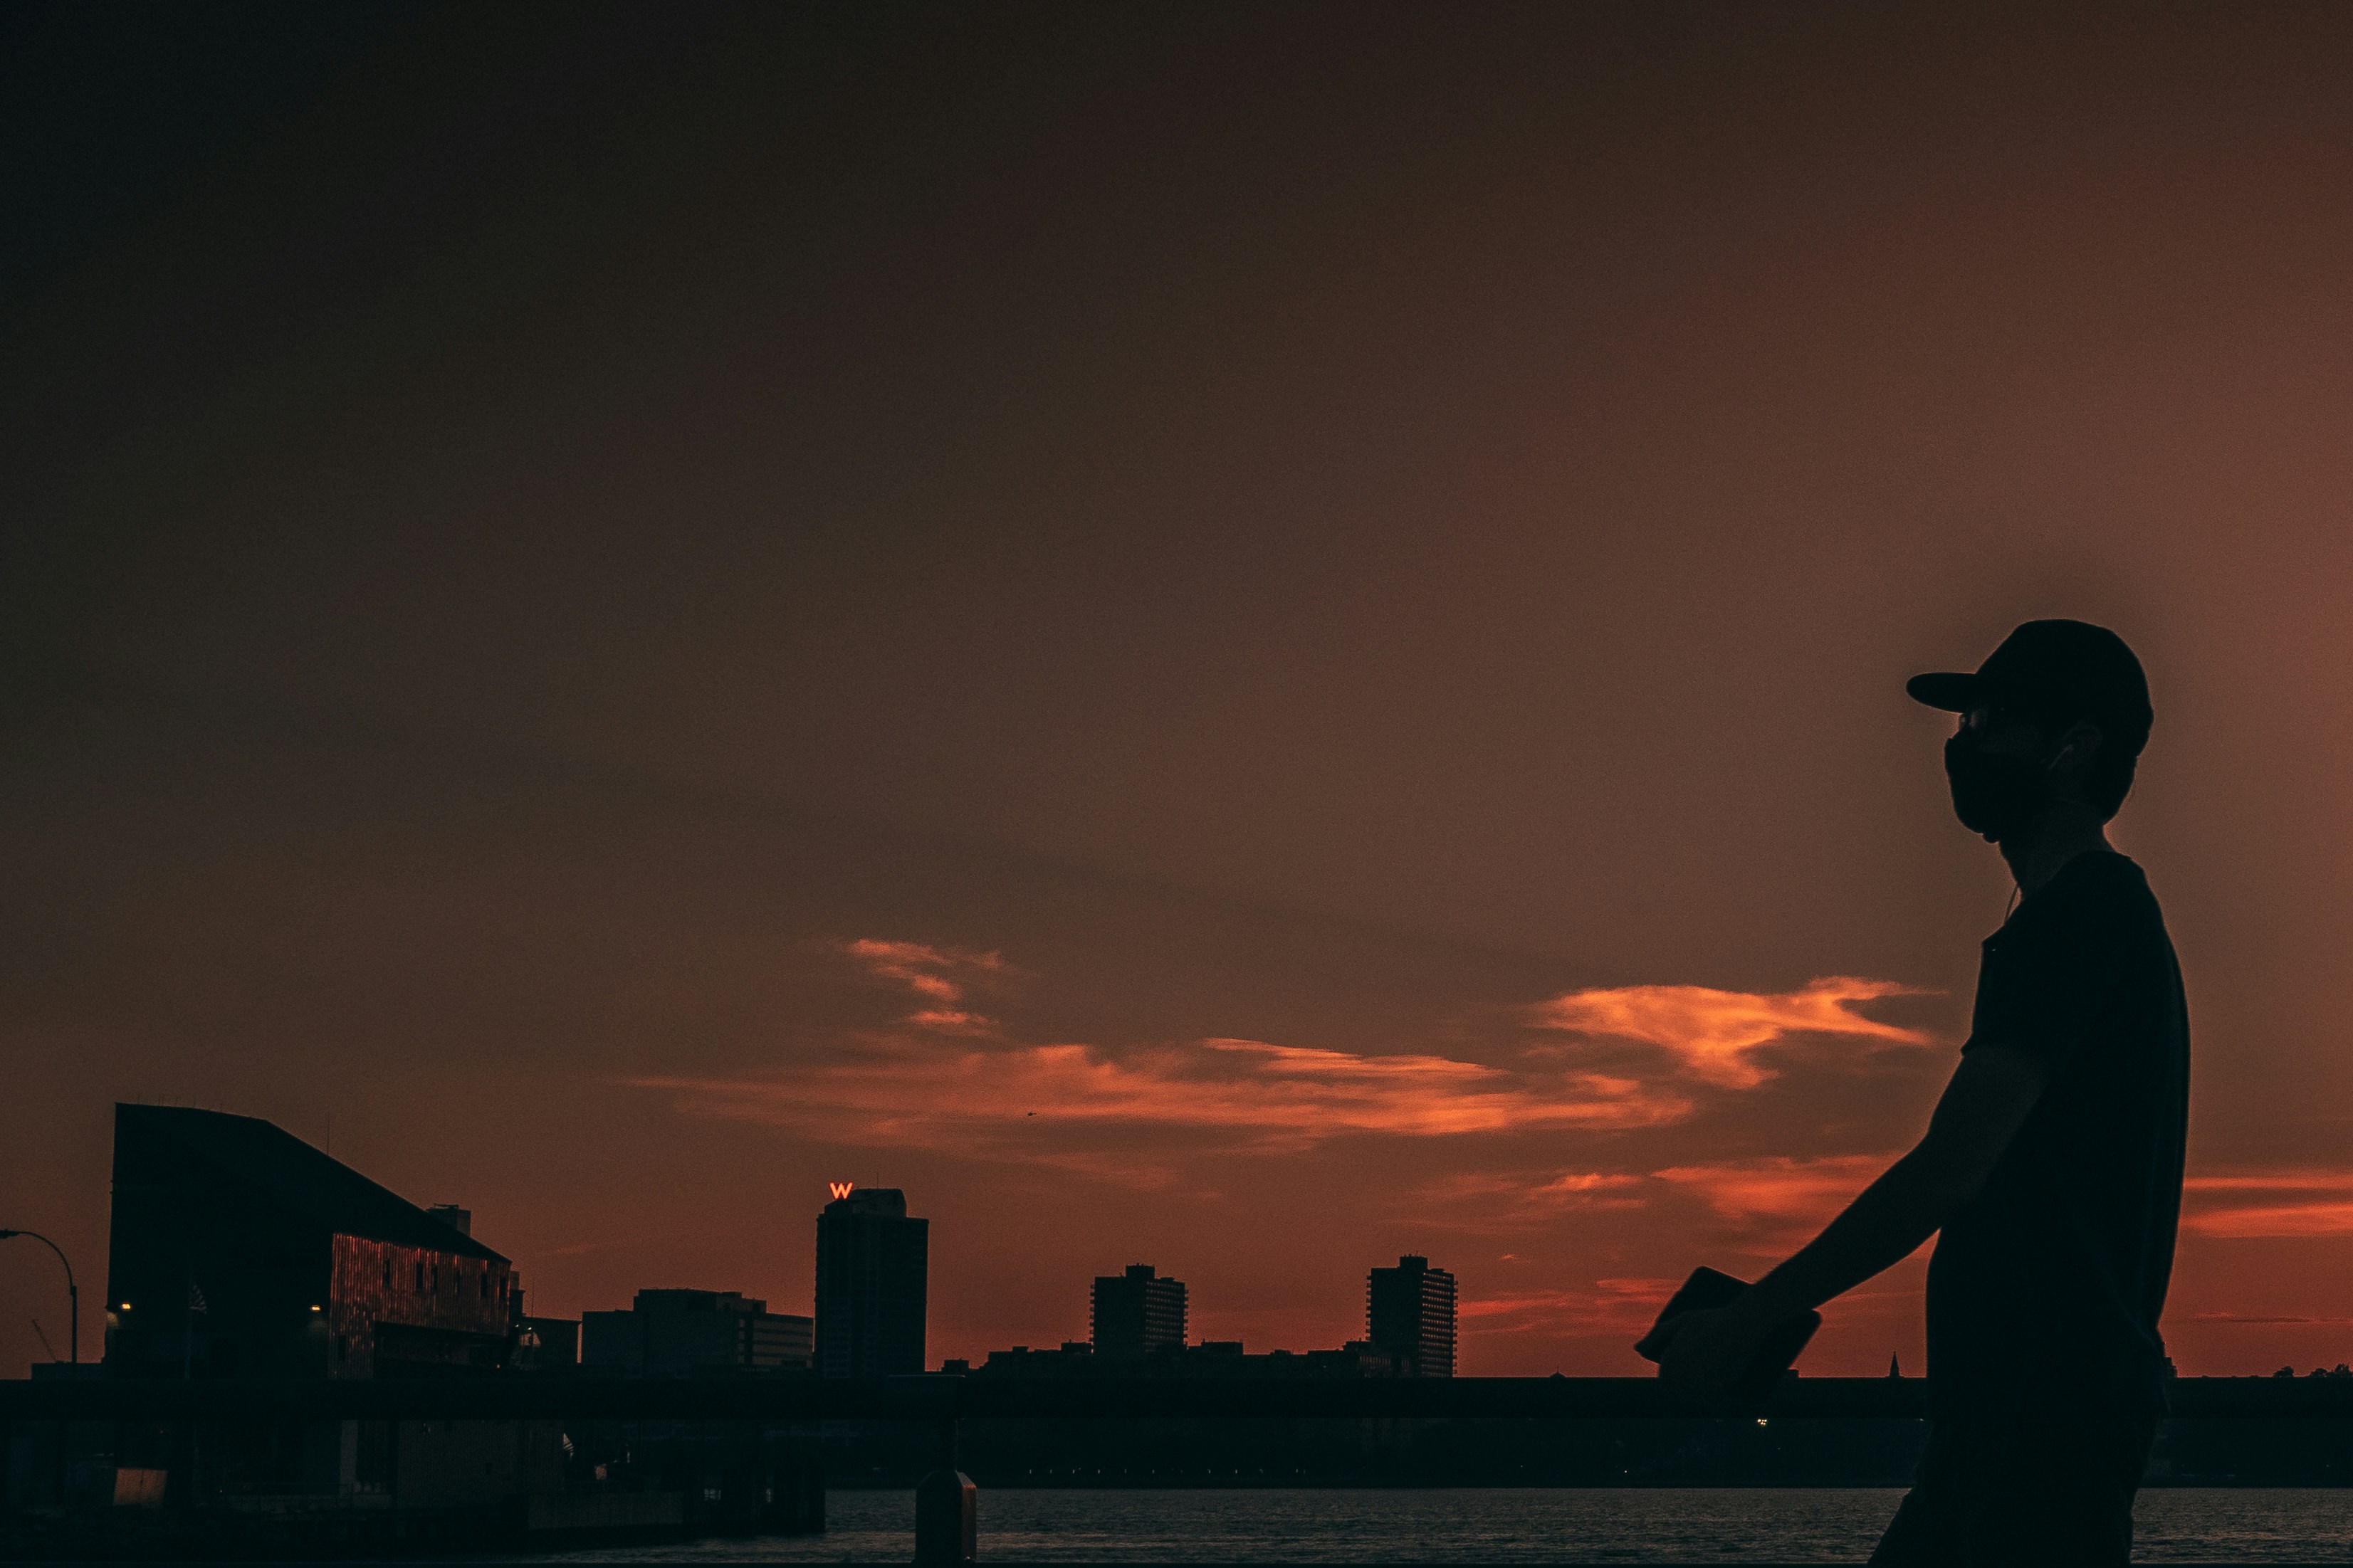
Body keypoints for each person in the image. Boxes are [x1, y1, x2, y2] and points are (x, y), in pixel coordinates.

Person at [1647, 619, 2188, 1566]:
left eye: (1991, 718)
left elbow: (1950, 1168)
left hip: (2043, 1417)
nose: (1963, 744)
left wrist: (1751, 1318)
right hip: (2010, 1415)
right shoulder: (2069, 920)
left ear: (2074, 748)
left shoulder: (2082, 915)